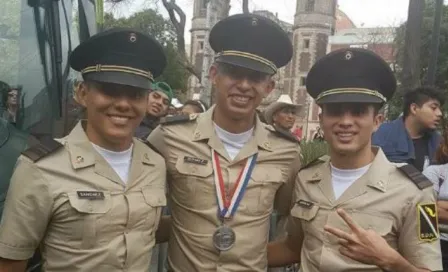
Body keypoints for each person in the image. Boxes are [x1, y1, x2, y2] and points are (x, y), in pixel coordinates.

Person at [0, 28, 168, 272]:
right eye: (109, 90)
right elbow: (11, 262)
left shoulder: (155, 163)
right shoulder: (41, 168)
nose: (123, 104)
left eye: (135, 94)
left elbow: (144, 230)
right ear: (82, 93)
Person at [148, 14, 301, 272]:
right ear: (214, 74)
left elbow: (290, 216)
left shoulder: (286, 151)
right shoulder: (169, 137)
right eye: (233, 73)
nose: (243, 85)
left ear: (269, 86)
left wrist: (255, 257)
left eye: (255, 77)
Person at [267, 48, 442, 272]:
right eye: (335, 111)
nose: (346, 121)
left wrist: (391, 261)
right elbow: (293, 247)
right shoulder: (306, 179)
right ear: (321, 120)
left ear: (377, 121)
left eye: (358, 111)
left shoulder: (415, 193)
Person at [373, 86, 444, 171]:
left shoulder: (438, 142)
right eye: (433, 108)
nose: (440, 113)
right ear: (414, 108)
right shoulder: (381, 135)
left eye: (440, 109)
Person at [423, 124, 448, 270]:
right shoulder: (434, 173)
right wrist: (436, 208)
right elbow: (427, 214)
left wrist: (442, 204)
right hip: (439, 249)